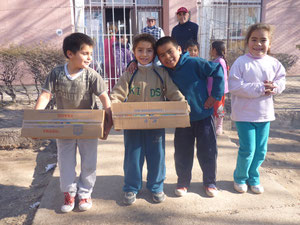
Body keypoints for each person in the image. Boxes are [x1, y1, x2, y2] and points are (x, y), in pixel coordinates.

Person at [34, 32, 112, 213]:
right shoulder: (56, 74)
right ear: (70, 54)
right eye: (85, 53)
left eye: (91, 54)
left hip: (89, 127)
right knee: (66, 161)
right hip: (64, 127)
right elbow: (46, 95)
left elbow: (105, 98)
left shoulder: (92, 75)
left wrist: (107, 123)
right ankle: (69, 192)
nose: (89, 58)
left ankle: (85, 193)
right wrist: (36, 118)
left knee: (89, 161)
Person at [110, 33, 186, 205]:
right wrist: (115, 110)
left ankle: (156, 187)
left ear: (155, 53)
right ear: (133, 51)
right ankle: (131, 187)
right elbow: (117, 94)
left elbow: (173, 92)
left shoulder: (161, 73)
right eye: (140, 50)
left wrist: (182, 104)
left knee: (157, 156)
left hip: (156, 124)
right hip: (132, 124)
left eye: (149, 50)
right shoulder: (129, 73)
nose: (144, 54)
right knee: (132, 156)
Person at [155, 36, 224, 198]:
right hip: (181, 119)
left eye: (170, 52)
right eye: (162, 55)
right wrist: (132, 63)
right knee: (182, 152)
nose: (167, 57)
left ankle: (210, 182)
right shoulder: (164, 71)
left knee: (207, 151)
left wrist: (215, 95)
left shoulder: (194, 63)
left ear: (179, 49)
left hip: (204, 116)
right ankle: (183, 181)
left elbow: (217, 70)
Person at [229, 23, 286, 194]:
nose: (258, 44)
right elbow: (234, 86)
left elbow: (281, 81)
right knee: (247, 149)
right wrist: (261, 88)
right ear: (247, 42)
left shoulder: (274, 63)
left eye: (263, 40)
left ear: (270, 44)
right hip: (244, 115)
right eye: (254, 39)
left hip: (264, 115)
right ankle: (239, 178)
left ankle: (253, 177)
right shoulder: (241, 62)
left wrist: (275, 87)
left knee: (261, 151)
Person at [207, 41, 229, 135]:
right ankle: (213, 125)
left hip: (218, 91)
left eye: (211, 49)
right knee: (212, 108)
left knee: (219, 108)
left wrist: (219, 89)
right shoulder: (215, 61)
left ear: (214, 50)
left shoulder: (220, 62)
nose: (210, 51)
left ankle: (219, 126)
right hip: (211, 90)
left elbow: (222, 78)